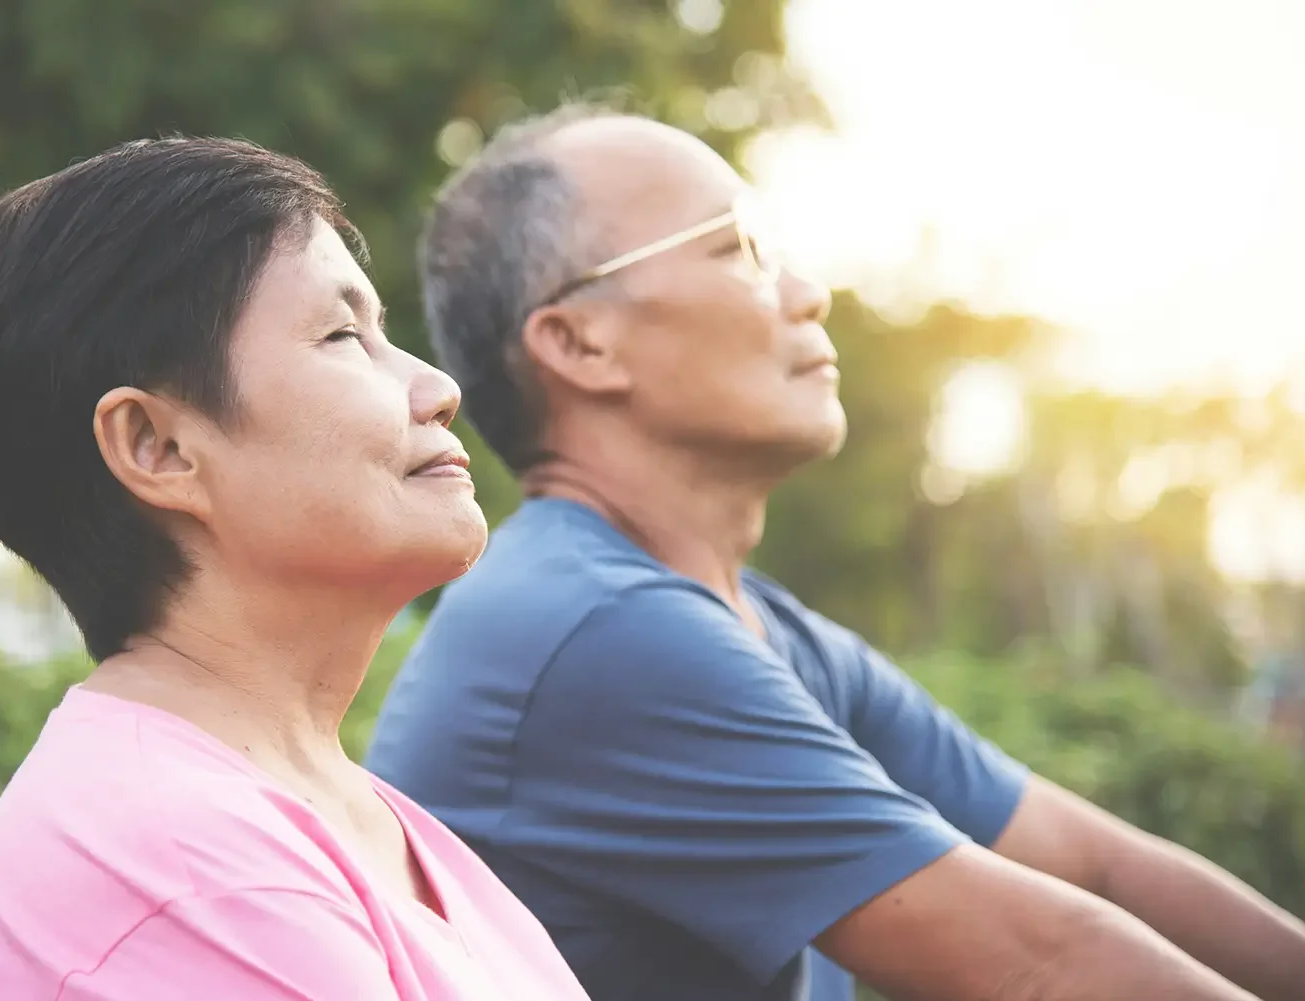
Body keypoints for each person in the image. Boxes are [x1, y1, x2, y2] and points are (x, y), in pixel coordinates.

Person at [366, 106, 1305, 1001]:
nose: (807, 291)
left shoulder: (747, 620)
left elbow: (1096, 864)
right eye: (735, 248)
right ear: (579, 342)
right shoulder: (596, 634)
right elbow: (1039, 965)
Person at [0, 136, 590, 1001]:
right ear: (159, 447)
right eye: (343, 334)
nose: (436, 386)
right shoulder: (179, 867)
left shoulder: (346, 818)